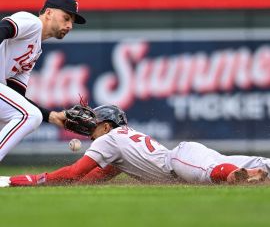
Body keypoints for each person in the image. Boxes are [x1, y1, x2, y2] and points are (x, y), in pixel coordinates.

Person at [0, 104, 269, 187]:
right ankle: (255, 171)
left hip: (178, 162)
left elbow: (74, 173)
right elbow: (94, 177)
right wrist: (71, 183)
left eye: (95, 121)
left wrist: (22, 180)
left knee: (214, 172)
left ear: (107, 126)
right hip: (186, 156)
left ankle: (239, 176)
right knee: (249, 161)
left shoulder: (108, 139)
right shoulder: (120, 143)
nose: (88, 125)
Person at [0, 0, 86, 161]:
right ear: (48, 13)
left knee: (13, 117)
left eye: (72, 22)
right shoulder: (32, 23)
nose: (69, 25)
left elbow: (17, 97)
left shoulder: (35, 51)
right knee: (31, 115)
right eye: (66, 18)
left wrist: (52, 116)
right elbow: (4, 28)